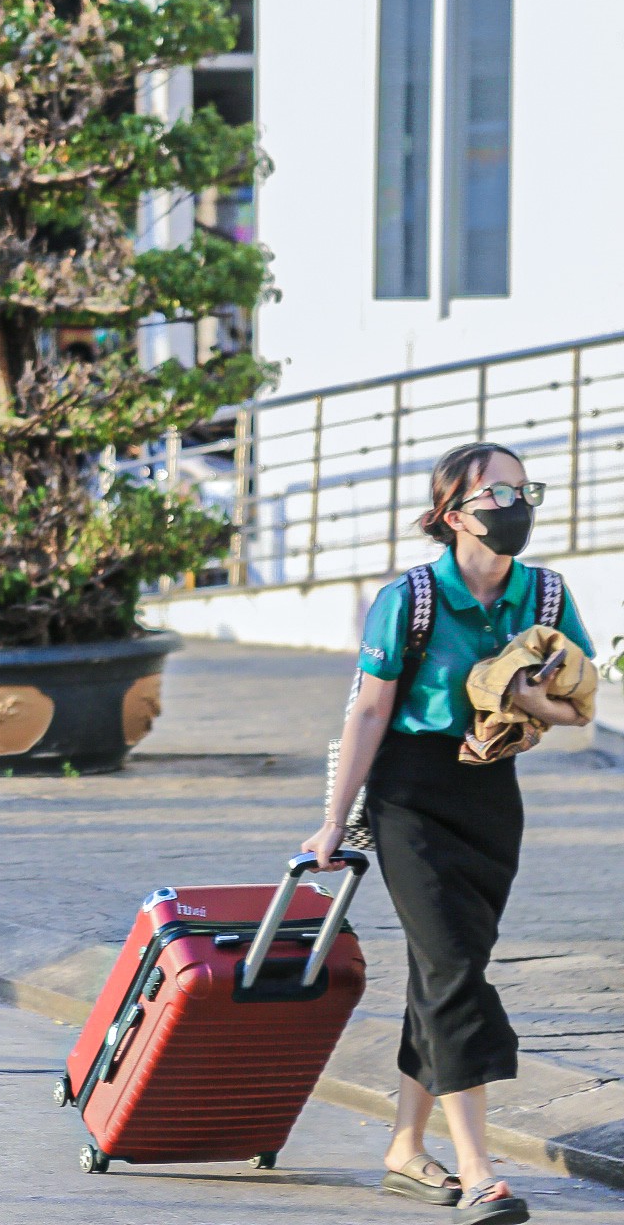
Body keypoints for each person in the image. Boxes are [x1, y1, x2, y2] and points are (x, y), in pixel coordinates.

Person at [306, 442, 592, 1225]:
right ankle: (477, 1169)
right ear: (452, 514)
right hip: (409, 793)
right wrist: (333, 821)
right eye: (497, 493)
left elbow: (578, 706)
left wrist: (529, 700)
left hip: (491, 794)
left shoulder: (546, 593)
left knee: (445, 970)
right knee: (453, 971)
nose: (515, 504)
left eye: (523, 489)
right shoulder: (411, 599)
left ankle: (405, 1147)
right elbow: (369, 711)